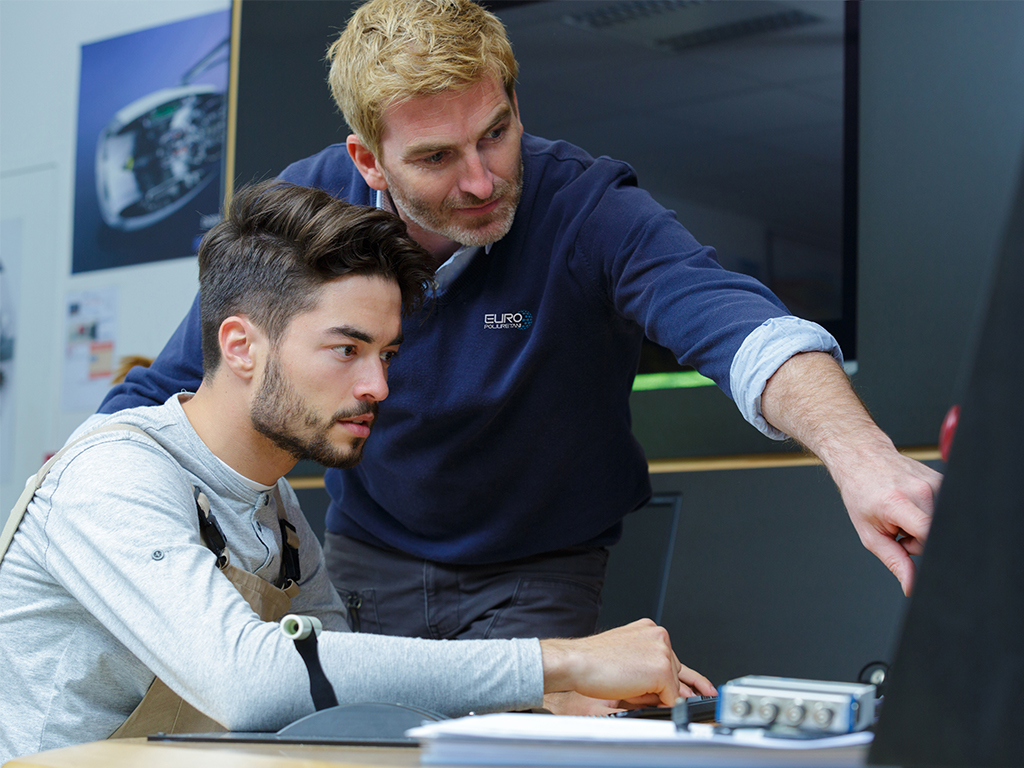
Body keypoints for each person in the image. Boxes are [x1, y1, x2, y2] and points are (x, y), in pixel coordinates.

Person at [99, 0, 942, 643]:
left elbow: (737, 325)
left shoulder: (584, 204)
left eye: (495, 134)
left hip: (538, 571)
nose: (481, 181)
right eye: (435, 157)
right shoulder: (307, 211)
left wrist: (862, 459)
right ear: (369, 161)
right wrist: (75, 506)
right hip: (363, 559)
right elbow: (178, 384)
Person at [0, 181, 715, 764]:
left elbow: (340, 693)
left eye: (389, 355)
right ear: (241, 346)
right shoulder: (115, 475)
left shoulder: (272, 512)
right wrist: (561, 663)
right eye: (347, 350)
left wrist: (537, 704)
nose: (378, 385)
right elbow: (247, 679)